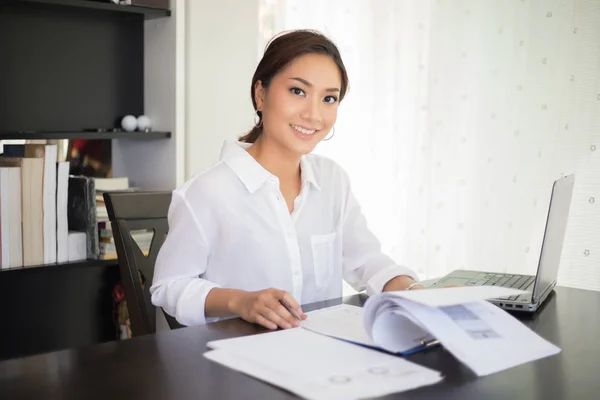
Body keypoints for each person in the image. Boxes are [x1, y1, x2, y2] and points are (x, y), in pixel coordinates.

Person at [150, 29, 423, 330]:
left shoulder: (332, 181)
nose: (314, 114)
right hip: (236, 361)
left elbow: (367, 263)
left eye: (329, 98)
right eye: (298, 91)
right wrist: (239, 301)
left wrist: (417, 293)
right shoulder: (207, 192)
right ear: (261, 94)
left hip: (319, 357)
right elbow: (169, 286)